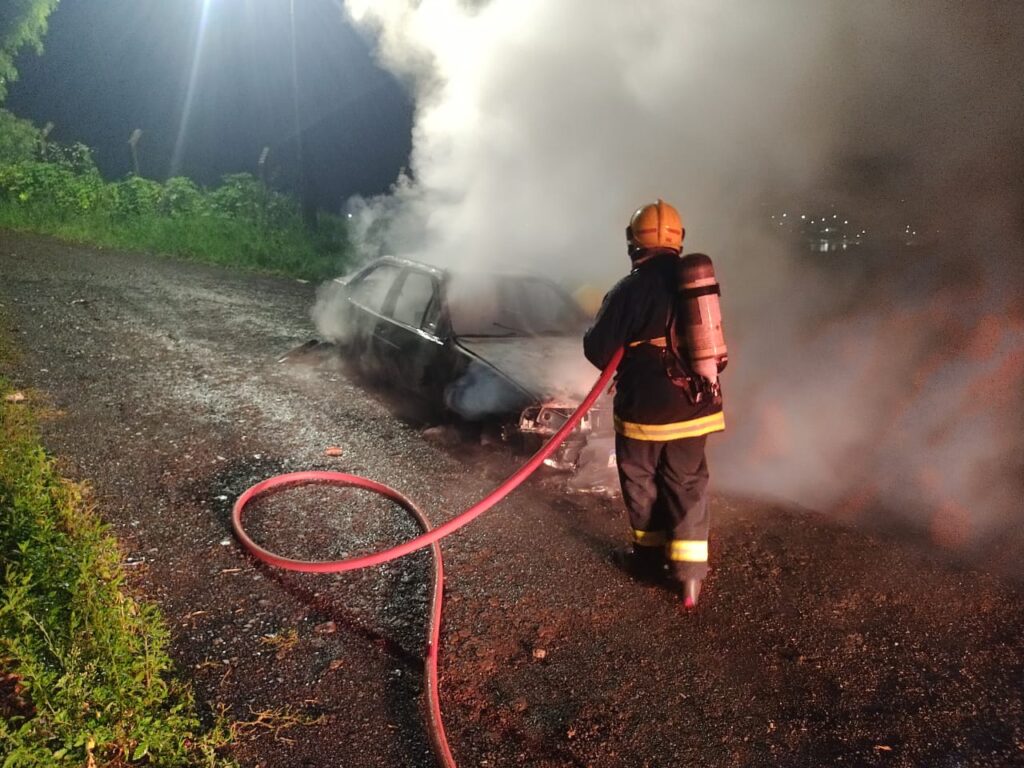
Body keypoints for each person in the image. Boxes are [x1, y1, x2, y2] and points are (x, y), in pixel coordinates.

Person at [583, 199, 725, 609]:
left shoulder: (628, 289)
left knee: (641, 480)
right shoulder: (695, 283)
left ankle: (647, 559)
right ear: (679, 241)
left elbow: (598, 350)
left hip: (644, 411)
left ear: (633, 243)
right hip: (696, 407)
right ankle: (690, 579)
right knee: (688, 483)